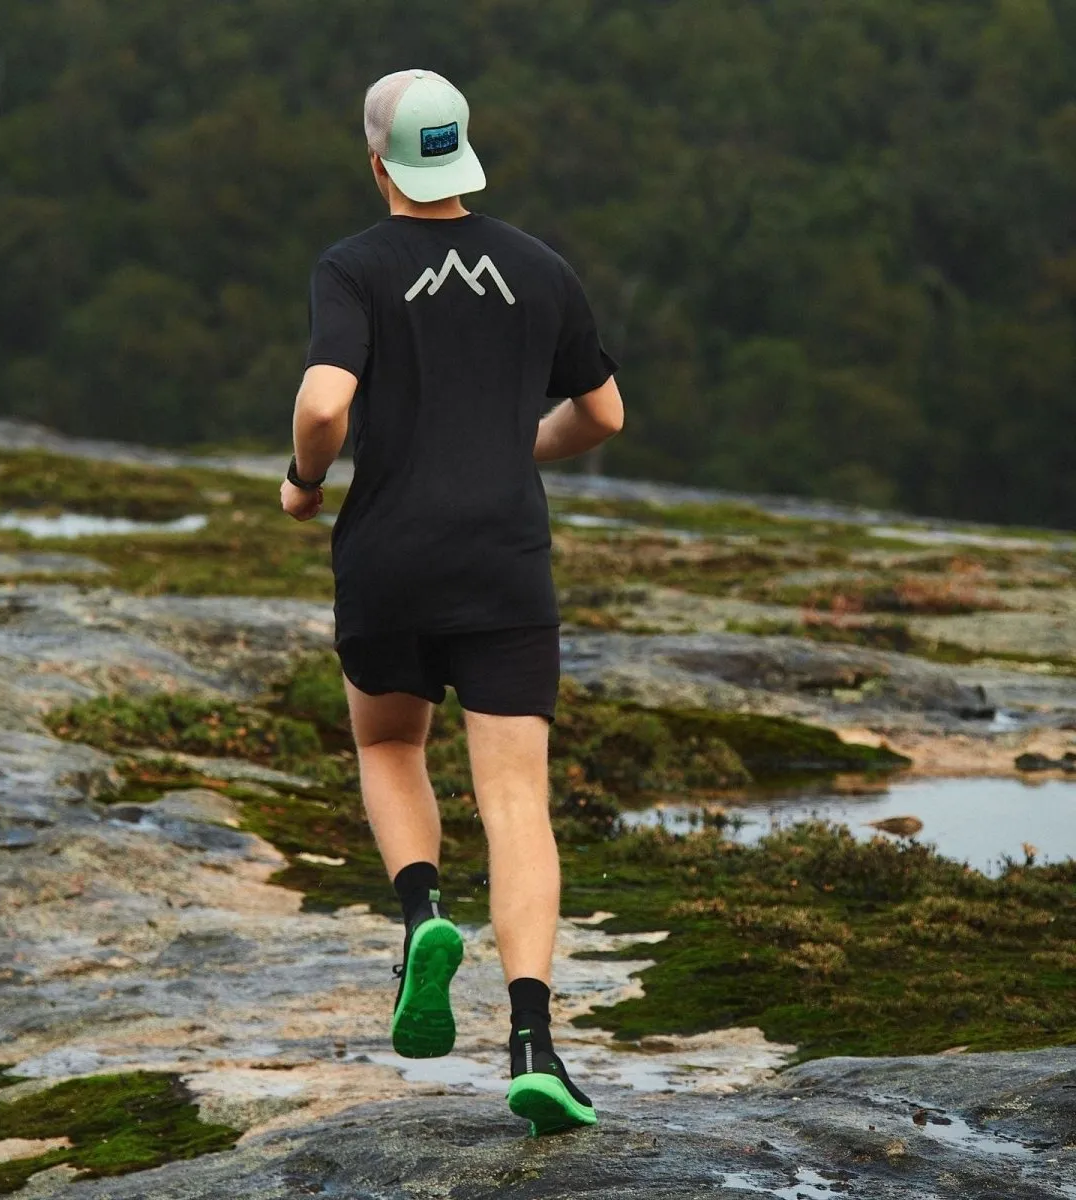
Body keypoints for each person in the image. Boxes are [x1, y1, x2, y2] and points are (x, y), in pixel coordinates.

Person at [280, 68, 624, 1137]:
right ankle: (534, 1043)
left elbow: (326, 402)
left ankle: (424, 911)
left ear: (377, 162)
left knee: (390, 749)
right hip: (503, 561)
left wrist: (303, 480)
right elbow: (604, 415)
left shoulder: (355, 266)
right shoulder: (540, 268)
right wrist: (516, 447)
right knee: (516, 799)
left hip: (389, 555)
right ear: (462, 150)